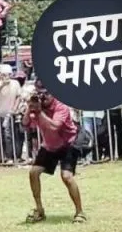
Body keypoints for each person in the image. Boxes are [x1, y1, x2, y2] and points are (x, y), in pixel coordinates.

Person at [22, 82, 85, 223]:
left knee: (66, 177)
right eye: (40, 94)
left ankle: (80, 212)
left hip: (69, 143)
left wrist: (39, 113)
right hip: (50, 145)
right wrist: (29, 108)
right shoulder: (37, 106)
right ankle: (39, 210)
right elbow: (25, 124)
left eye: (46, 93)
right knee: (33, 173)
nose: (43, 97)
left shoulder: (61, 106)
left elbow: (55, 126)